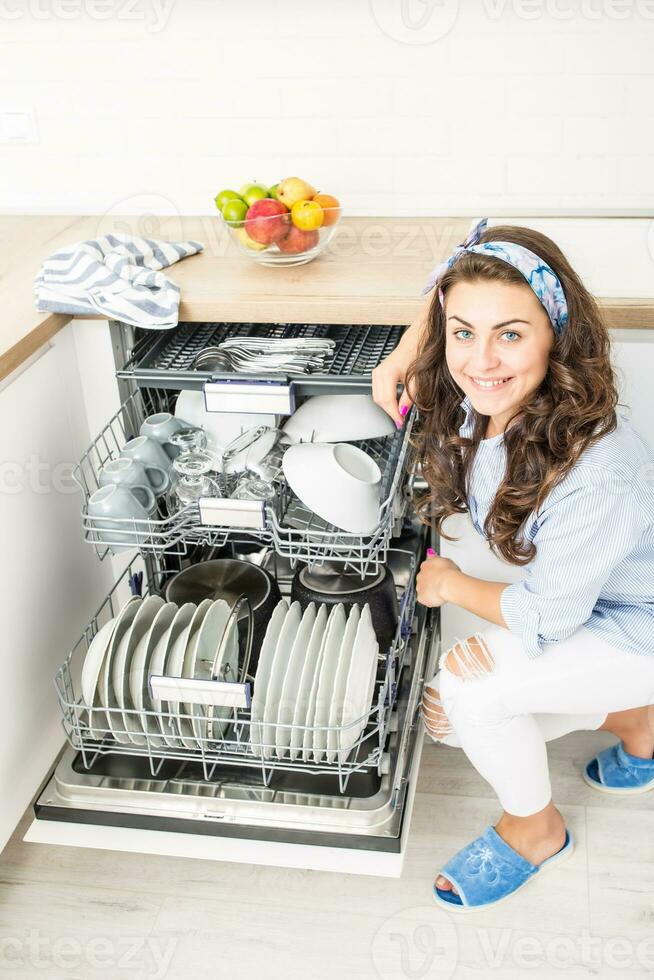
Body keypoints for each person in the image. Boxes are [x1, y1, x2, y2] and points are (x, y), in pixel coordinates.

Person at [372, 218, 654, 913]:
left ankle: (535, 829)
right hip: (602, 595)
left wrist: (448, 585)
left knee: (460, 703)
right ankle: (640, 725)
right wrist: (408, 349)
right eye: (464, 333)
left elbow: (548, 614)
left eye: (511, 334)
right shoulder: (487, 399)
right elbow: (447, 279)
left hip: (639, 621)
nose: (481, 361)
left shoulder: (600, 469)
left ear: (555, 332)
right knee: (459, 710)